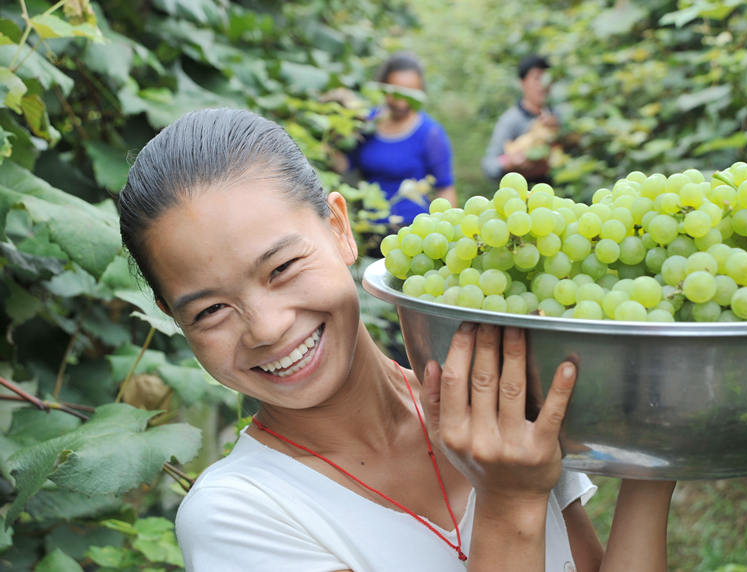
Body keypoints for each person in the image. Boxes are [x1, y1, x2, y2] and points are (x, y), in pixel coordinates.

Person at [118, 108, 675, 571]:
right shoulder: (237, 516)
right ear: (173, 317)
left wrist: (659, 454)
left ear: (339, 228)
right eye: (212, 309)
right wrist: (509, 501)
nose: (266, 327)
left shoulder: (500, 401)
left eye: (282, 267)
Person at [346, 52, 457, 227]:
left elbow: (445, 188)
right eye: (395, 93)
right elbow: (344, 167)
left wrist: (445, 230)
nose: (401, 103)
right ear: (383, 87)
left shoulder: (430, 133)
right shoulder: (367, 124)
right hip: (367, 227)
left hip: (414, 230)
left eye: (409, 95)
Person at [482, 54, 558, 184]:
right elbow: (490, 165)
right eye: (536, 79)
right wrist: (509, 163)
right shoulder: (510, 120)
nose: (542, 85)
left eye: (546, 79)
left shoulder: (557, 116)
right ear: (522, 82)